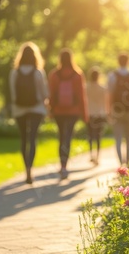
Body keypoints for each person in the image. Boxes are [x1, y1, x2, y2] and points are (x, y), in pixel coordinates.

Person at [9, 42, 49, 184]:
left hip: (19, 109)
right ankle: (30, 171)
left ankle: (26, 169)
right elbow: (44, 92)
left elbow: (13, 93)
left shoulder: (15, 72)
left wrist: (17, 104)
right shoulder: (38, 72)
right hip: (36, 109)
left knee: (23, 139)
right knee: (32, 139)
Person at [48, 48, 88, 179]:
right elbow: (82, 96)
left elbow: (52, 94)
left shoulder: (54, 75)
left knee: (61, 137)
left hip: (59, 111)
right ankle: (65, 165)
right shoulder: (77, 75)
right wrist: (84, 114)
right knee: (68, 137)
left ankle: (62, 164)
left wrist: (51, 110)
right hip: (73, 111)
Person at [107, 53, 129, 166]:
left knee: (118, 139)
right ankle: (128, 162)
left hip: (117, 110)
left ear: (118, 62)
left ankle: (121, 163)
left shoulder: (112, 76)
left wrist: (109, 111)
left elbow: (110, 95)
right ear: (128, 61)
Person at [86, 66, 109, 165]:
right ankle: (98, 156)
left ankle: (91, 154)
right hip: (100, 113)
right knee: (99, 136)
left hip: (90, 113)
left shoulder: (86, 87)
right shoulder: (102, 88)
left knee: (90, 135)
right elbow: (106, 102)